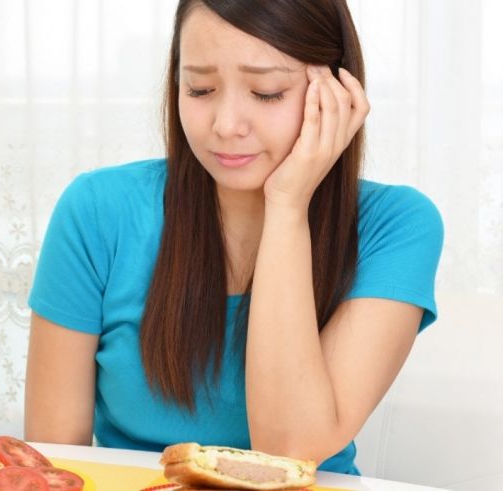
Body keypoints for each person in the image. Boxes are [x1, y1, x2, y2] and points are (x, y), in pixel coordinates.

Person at [23, 0, 443, 475]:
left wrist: (287, 204)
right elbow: (51, 460)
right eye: (200, 88)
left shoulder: (399, 225)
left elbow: (288, 449)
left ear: (337, 93)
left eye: (266, 93)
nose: (225, 125)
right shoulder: (97, 211)